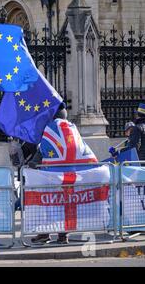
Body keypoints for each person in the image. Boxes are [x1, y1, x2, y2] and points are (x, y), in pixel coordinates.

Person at [28, 102, 98, 244]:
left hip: (52, 178)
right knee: (66, 205)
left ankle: (44, 234)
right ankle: (62, 236)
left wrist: (33, 164)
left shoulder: (51, 129)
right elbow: (85, 151)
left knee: (47, 205)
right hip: (70, 178)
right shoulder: (73, 130)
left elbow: (43, 148)